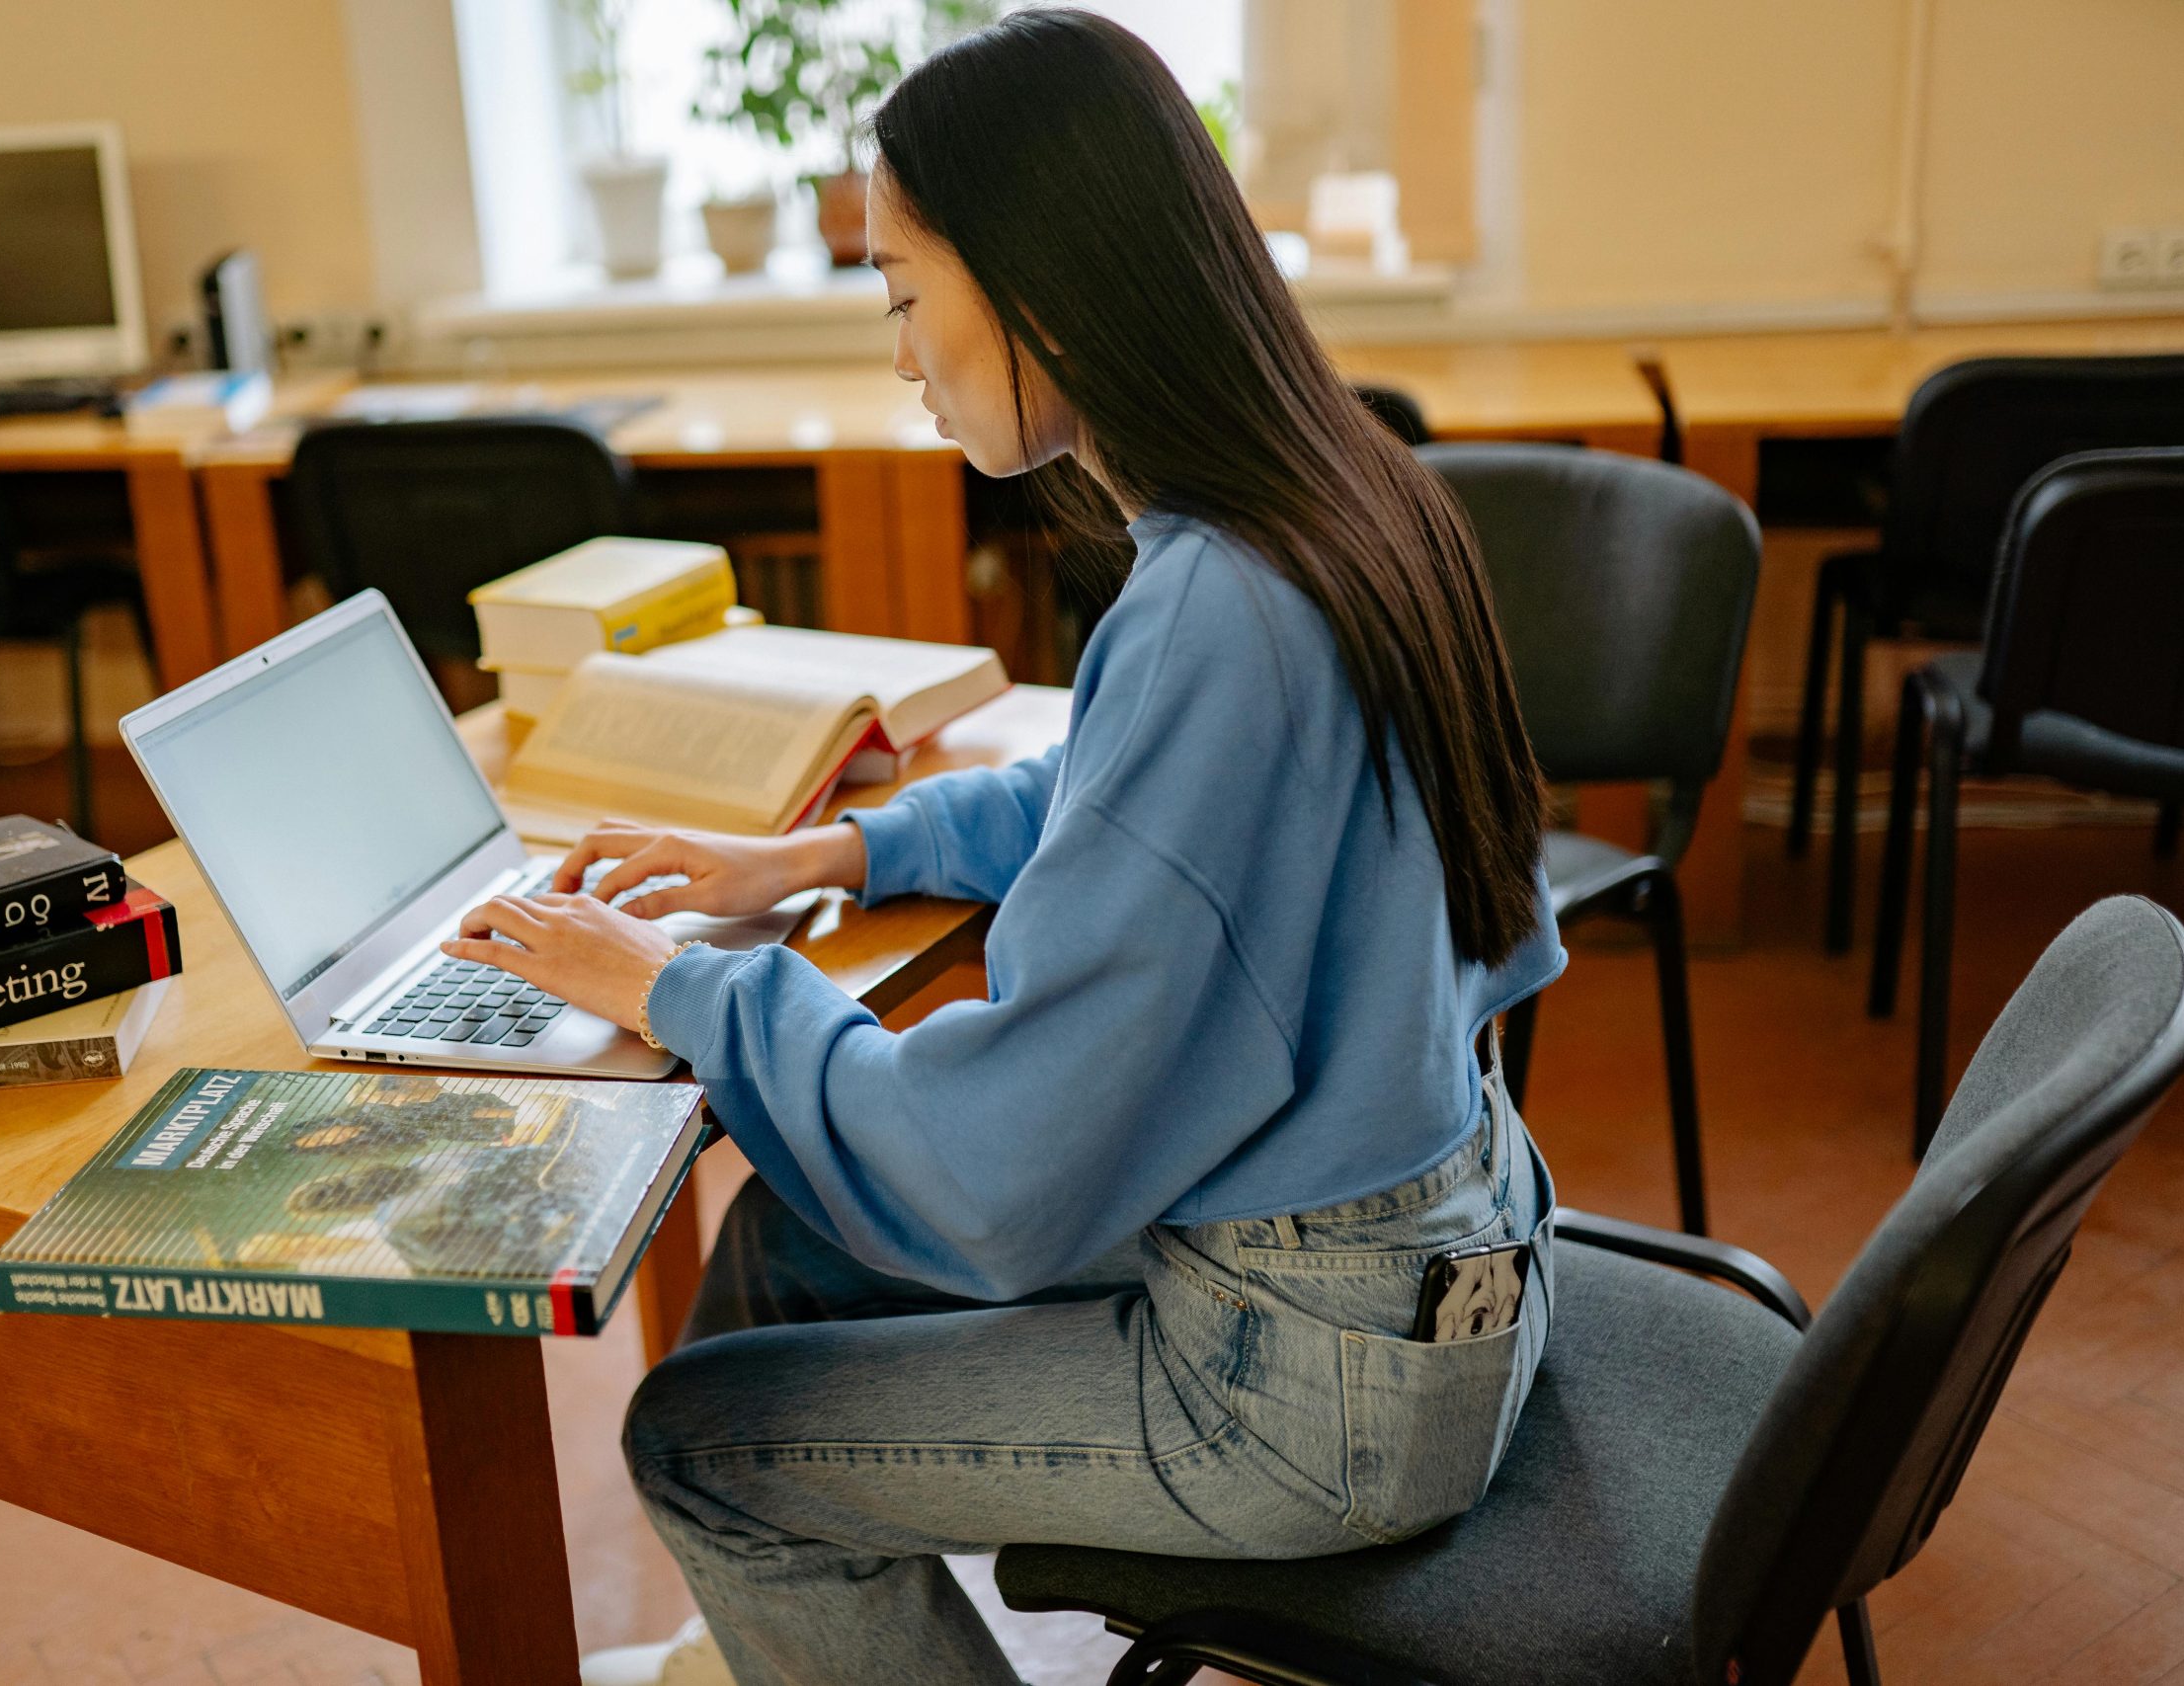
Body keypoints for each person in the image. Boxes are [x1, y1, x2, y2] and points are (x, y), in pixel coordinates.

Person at [442, 11, 1566, 1683]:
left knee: (700, 1446)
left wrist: (685, 989)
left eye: (904, 292)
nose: (900, 350)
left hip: (1315, 1381)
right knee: (788, 1246)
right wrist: (831, 861)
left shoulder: (1216, 611)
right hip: (1453, 1244)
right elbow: (1124, 799)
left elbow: (992, 1174)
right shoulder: (1337, 497)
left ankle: (782, 1602)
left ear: (1035, 287)